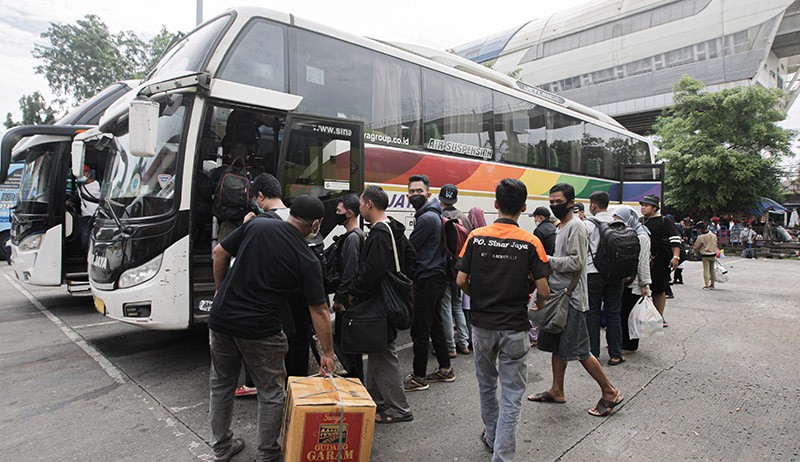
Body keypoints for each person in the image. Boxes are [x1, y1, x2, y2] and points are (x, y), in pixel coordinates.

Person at [208, 195, 334, 462]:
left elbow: (219, 252)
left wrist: (220, 293)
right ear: (316, 225)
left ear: (291, 213)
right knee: (272, 391)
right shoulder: (306, 258)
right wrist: (328, 352)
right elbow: (319, 310)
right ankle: (267, 453)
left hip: (221, 320)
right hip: (260, 329)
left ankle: (221, 448)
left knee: (221, 385)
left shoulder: (258, 225)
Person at [455, 178, 551, 461]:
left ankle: (493, 436)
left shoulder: (476, 237)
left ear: (496, 205)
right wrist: (536, 305)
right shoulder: (531, 241)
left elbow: (461, 280)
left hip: (482, 325)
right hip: (515, 327)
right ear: (523, 208)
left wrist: (480, 297)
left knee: (486, 385)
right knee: (512, 394)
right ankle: (502, 454)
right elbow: (544, 289)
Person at [528, 183, 623, 418]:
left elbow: (576, 263)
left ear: (571, 203)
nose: (553, 206)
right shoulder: (561, 227)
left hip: (571, 299)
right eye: (551, 202)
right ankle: (557, 390)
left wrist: (547, 260)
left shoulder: (577, 227)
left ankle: (610, 391)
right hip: (558, 296)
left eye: (558, 202)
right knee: (557, 347)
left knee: (581, 350)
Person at [350, 185, 417, 423]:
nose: (359, 208)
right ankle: (376, 403)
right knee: (378, 349)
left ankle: (399, 409)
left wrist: (354, 289)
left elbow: (372, 271)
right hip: (388, 298)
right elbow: (411, 259)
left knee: (385, 351)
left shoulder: (378, 233)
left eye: (360, 203)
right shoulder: (394, 228)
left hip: (379, 300)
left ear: (369, 204)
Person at [404, 174, 453, 391]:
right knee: (434, 324)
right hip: (437, 277)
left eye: (419, 191)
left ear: (428, 193)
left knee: (420, 329)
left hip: (427, 278)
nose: (415, 194)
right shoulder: (433, 214)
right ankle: (445, 369)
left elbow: (410, 249)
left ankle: (419, 377)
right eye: (412, 191)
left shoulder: (426, 218)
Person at [583, 191, 625, 365]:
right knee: (614, 313)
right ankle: (615, 354)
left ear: (593, 205)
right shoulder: (619, 224)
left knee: (592, 314)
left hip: (593, 274)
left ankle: (593, 356)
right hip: (615, 275)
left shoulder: (587, 224)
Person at [211, 110, 262, 241]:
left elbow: (210, 191)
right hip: (247, 219)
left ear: (228, 155)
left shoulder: (220, 172)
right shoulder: (255, 173)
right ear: (247, 156)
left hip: (226, 219)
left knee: (224, 249)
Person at [331, 193, 366, 380]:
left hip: (348, 302)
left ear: (349, 213)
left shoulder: (353, 238)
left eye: (339, 210)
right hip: (351, 299)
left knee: (348, 347)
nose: (336, 213)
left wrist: (339, 298)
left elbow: (349, 272)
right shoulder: (355, 235)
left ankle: (355, 382)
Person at [439, 183, 472, 357]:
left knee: (445, 307)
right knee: (457, 306)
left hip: (444, 268)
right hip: (459, 268)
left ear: (440, 198)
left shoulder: (439, 216)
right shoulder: (463, 217)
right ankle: (464, 343)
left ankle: (450, 347)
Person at [639, 194, 681, 327]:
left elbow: (675, 240)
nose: (643, 208)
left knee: (658, 289)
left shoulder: (664, 221)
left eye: (646, 205)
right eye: (642, 205)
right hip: (642, 262)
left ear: (655, 207)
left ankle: (659, 317)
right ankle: (643, 316)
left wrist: (676, 257)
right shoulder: (640, 221)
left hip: (659, 261)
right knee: (640, 289)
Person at [614, 206, 651, 353]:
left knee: (630, 314)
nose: (618, 224)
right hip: (626, 281)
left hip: (635, 283)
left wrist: (644, 284)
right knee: (623, 313)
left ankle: (630, 345)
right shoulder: (629, 234)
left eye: (620, 221)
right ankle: (621, 342)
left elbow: (643, 262)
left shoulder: (641, 236)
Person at [77, 164, 101, 252]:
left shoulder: (98, 184)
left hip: (98, 216)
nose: (81, 175)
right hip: (86, 216)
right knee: (85, 239)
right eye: (79, 173)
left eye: (83, 172)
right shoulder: (80, 187)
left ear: (89, 173)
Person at [692, 221, 719, 290]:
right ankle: (712, 284)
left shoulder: (701, 237)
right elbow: (716, 243)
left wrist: (694, 251)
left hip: (705, 255)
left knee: (706, 270)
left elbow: (696, 247)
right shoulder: (713, 235)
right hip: (713, 254)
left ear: (700, 229)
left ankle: (706, 285)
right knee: (712, 269)